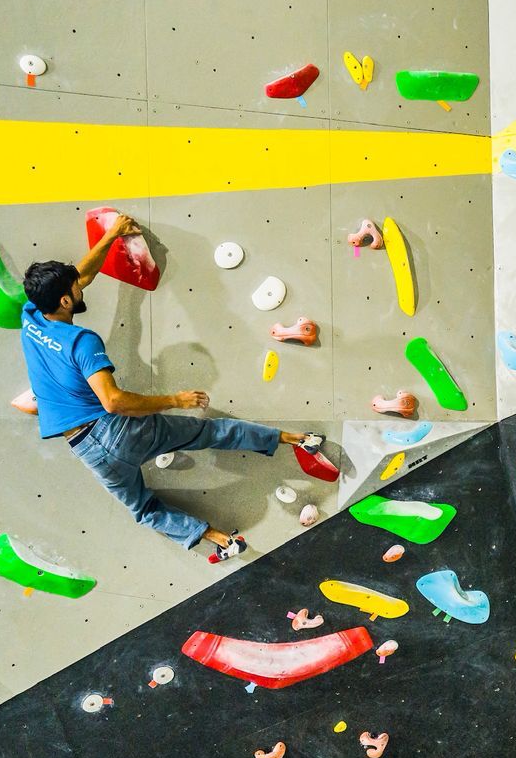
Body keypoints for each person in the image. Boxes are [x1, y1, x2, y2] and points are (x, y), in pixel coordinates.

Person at [18, 214, 324, 563]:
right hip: (117, 429)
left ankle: (223, 541)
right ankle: (300, 440)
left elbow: (81, 275)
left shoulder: (31, 315)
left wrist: (111, 237)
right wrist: (175, 400)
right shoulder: (81, 341)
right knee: (212, 432)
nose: (80, 286)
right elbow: (114, 400)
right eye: (73, 290)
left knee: (144, 510)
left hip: (86, 450)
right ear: (65, 303)